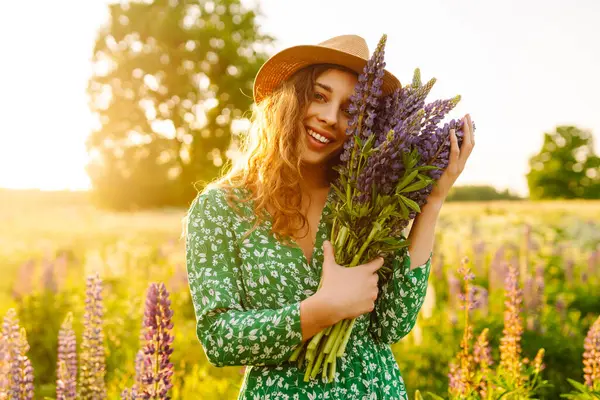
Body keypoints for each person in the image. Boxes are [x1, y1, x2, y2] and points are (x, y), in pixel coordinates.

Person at [185, 34, 475, 399]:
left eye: (349, 111)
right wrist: (322, 309)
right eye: (319, 96)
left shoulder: (364, 198)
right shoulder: (221, 207)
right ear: (288, 99)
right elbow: (219, 338)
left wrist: (432, 200)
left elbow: (392, 323)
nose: (329, 118)